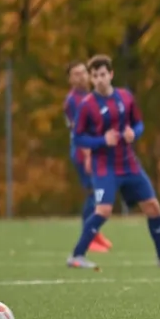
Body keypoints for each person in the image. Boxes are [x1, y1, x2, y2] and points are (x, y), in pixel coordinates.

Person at [67, 55, 160, 269]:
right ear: (92, 79)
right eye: (95, 76)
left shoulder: (125, 97)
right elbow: (78, 138)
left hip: (128, 163)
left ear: (111, 74)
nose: (99, 79)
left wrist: (135, 133)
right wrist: (101, 141)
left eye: (103, 74)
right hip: (104, 166)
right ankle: (77, 255)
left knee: (153, 207)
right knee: (103, 210)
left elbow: (138, 124)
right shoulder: (87, 105)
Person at [64, 61, 112, 253]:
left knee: (100, 193)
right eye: (76, 74)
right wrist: (88, 157)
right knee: (94, 193)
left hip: (95, 151)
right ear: (70, 79)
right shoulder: (73, 101)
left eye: (84, 72)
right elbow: (79, 132)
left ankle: (94, 232)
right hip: (83, 153)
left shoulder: (90, 96)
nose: (82, 76)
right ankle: (88, 235)